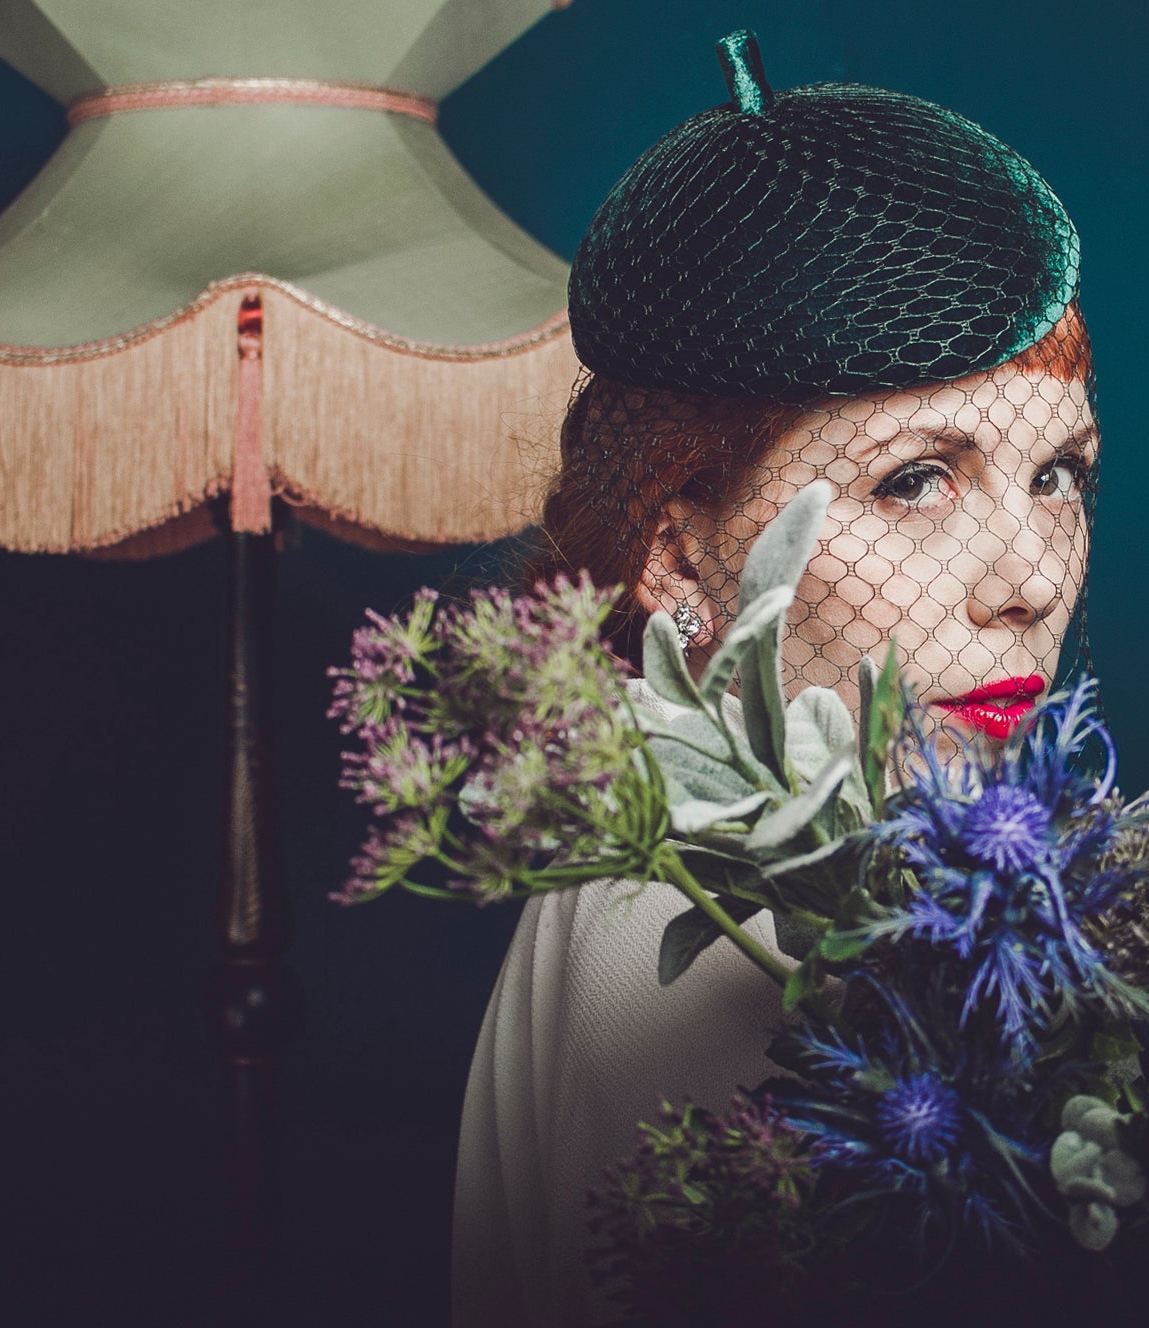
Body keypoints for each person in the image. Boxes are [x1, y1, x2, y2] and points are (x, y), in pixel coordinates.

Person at [451, 32, 1099, 1325]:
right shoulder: (720, 929)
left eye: (1058, 474)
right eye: (912, 481)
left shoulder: (751, 846)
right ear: (676, 553)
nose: (1025, 579)